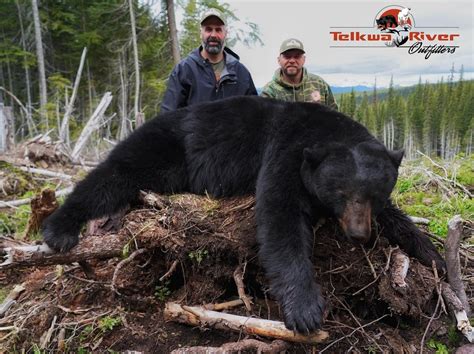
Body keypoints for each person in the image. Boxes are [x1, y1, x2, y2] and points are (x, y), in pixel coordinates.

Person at [161, 8, 257, 112]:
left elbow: (255, 116)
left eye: (218, 30)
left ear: (226, 34)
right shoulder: (184, 71)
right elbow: (168, 117)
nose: (213, 35)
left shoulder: (241, 74)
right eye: (208, 29)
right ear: (201, 33)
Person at [261, 38, 338, 110]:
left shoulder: (319, 84)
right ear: (279, 60)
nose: (292, 61)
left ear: (304, 59)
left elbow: (335, 115)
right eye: (287, 56)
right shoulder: (269, 92)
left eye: (297, 56)